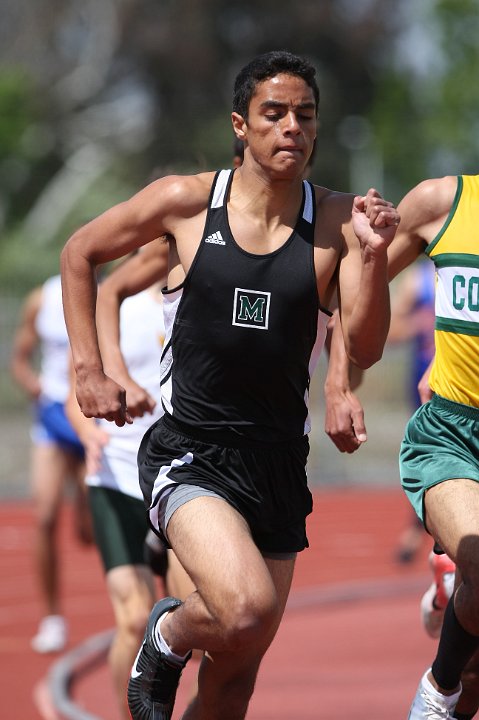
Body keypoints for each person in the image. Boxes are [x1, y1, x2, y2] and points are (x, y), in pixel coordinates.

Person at [60, 50, 399, 720]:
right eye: (273, 114)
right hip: (192, 452)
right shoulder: (188, 203)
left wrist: (374, 255)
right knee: (242, 611)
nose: (291, 128)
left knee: (232, 679)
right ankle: (163, 633)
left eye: (305, 116)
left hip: (275, 463)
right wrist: (89, 371)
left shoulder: (334, 221)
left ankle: (176, 640)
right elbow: (80, 254)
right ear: (241, 125)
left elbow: (365, 345)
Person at [384, 173, 479, 719]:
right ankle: (436, 694)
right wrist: (338, 381)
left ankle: (451, 586)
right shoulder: (444, 202)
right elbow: (352, 284)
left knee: (478, 670)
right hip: (451, 431)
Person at [9, 274, 91, 653]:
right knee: (43, 515)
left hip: (92, 415)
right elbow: (20, 356)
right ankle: (52, 618)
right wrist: (31, 382)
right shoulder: (41, 298)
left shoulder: (110, 293)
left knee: (91, 531)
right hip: (53, 416)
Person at [388, 259, 436, 564]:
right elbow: (390, 332)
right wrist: (419, 324)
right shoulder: (418, 280)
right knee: (428, 457)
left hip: (466, 379)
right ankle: (417, 528)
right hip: (425, 385)